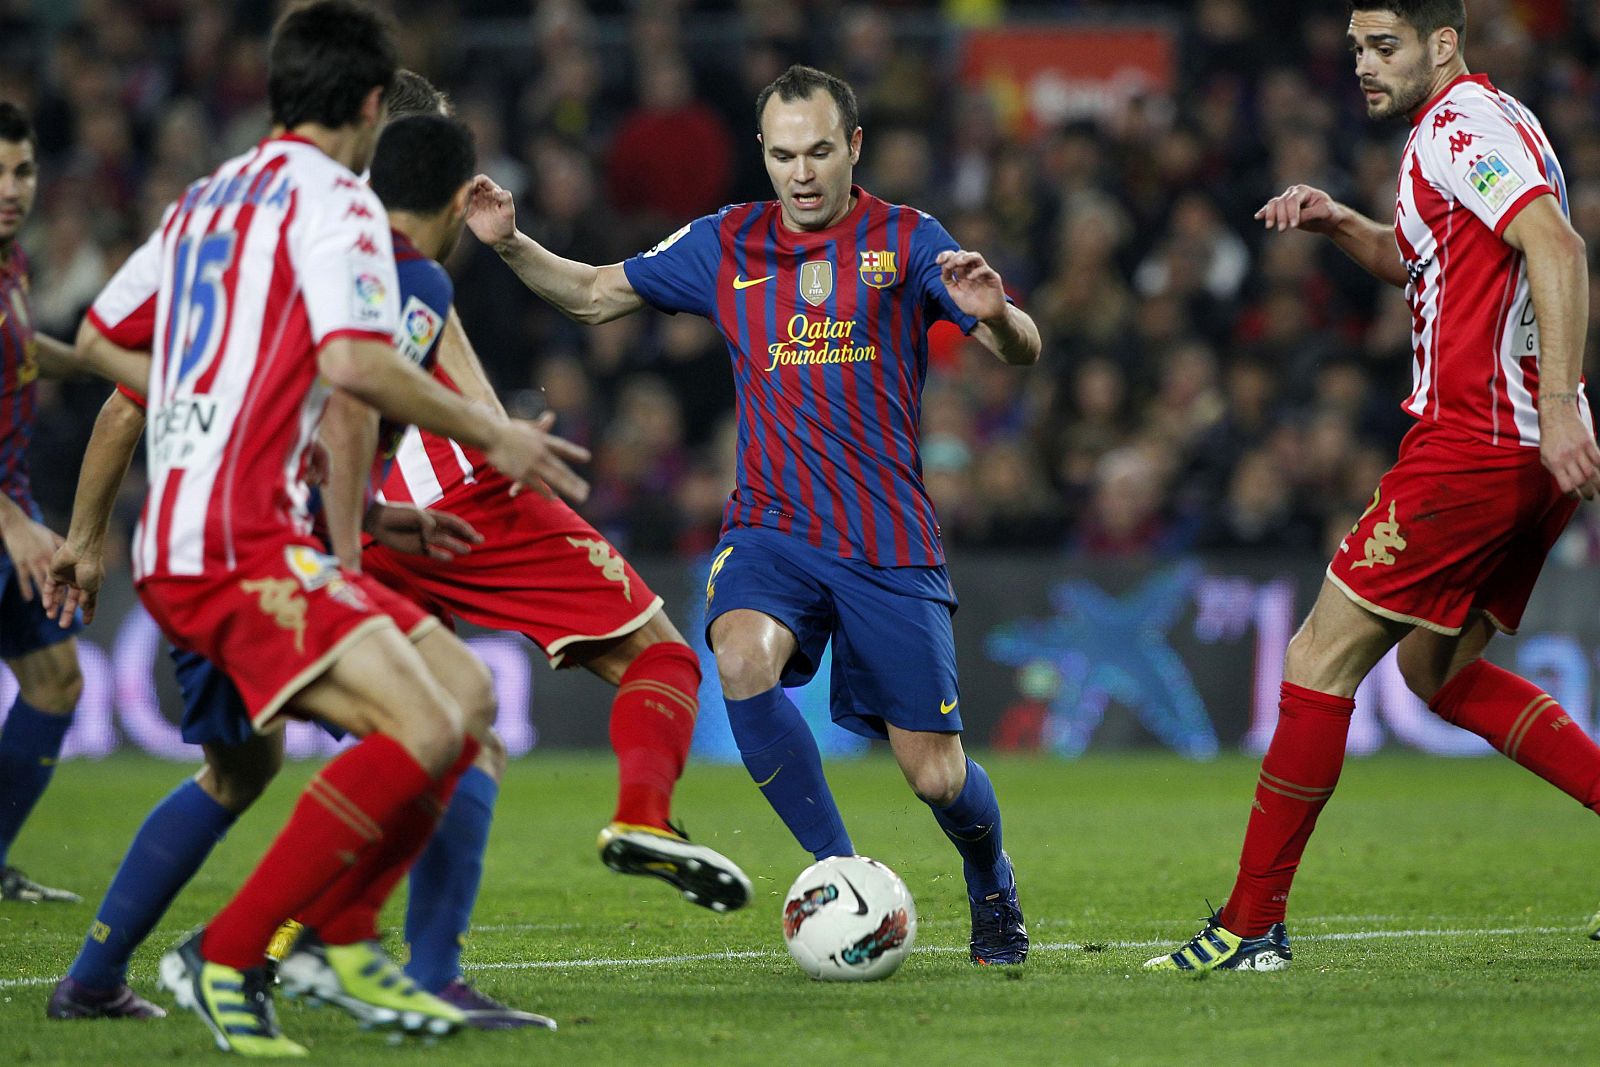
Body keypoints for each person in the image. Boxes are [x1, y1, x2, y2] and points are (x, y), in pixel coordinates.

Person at [70, 4, 582, 1054]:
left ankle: (330, 938)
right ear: (370, 105)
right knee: (432, 724)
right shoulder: (342, 204)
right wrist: (492, 430)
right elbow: (355, 369)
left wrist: (232, 408)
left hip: (217, 531)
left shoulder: (208, 195)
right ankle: (249, 950)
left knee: (461, 699)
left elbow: (97, 338)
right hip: (239, 545)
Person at [467, 64, 1040, 963]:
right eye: (782, 154)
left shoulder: (908, 239)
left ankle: (989, 874)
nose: (801, 173)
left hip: (886, 537)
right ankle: (841, 872)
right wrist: (510, 244)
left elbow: (1023, 349)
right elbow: (594, 293)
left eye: (819, 151)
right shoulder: (726, 241)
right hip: (771, 528)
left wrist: (997, 315)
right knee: (737, 656)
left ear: (854, 146)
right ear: (764, 153)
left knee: (935, 774)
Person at [1148, 0, 1600, 973]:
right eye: (1356, 46)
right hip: (1520, 450)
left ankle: (1249, 924)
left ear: (1443, 43)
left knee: (1318, 654)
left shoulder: (1460, 128)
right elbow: (1423, 262)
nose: (1363, 63)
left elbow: (1558, 248)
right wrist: (1339, 221)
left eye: (1384, 45)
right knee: (1435, 671)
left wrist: (1561, 402)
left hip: (1477, 443)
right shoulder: (1493, 122)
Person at [0, 102, 127, 905]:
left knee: (56, 680)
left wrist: (87, 360)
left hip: (11, 503)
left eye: (21, 170)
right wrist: (10, 519)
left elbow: (20, 347)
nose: (11, 188)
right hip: (5, 514)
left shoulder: (11, 261)